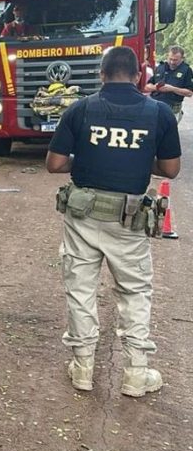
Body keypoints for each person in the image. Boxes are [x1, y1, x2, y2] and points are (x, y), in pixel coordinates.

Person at [46, 45, 181, 397]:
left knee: (80, 290)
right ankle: (136, 374)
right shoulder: (159, 113)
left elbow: (55, 164)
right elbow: (170, 169)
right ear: (138, 76)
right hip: (129, 220)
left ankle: (82, 368)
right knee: (134, 293)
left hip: (83, 217)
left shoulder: (80, 109)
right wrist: (138, 160)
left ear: (101, 75)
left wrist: (86, 158)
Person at [144, 45, 193, 122]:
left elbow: (189, 93)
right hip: (154, 105)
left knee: (168, 129)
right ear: (167, 56)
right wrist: (155, 87)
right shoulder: (160, 67)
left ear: (182, 59)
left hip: (172, 108)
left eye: (175, 60)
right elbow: (146, 87)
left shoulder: (186, 70)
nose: (172, 62)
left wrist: (172, 89)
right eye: (170, 59)